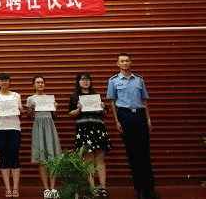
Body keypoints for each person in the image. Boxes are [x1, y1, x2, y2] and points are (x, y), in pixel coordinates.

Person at [107, 53, 159, 199]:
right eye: (122, 61)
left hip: (140, 116)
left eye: (127, 61)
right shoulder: (113, 81)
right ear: (117, 64)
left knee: (145, 154)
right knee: (132, 155)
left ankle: (150, 189)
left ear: (131, 62)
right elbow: (112, 102)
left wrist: (148, 119)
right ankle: (139, 190)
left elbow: (144, 100)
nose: (125, 63)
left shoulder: (139, 79)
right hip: (125, 116)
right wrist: (117, 121)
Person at [68, 72, 112, 197]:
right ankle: (92, 188)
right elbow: (70, 114)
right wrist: (78, 109)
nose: (85, 81)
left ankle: (102, 187)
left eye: (87, 79)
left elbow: (105, 114)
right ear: (78, 82)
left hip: (98, 129)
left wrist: (103, 107)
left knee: (100, 159)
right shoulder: (74, 98)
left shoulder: (96, 96)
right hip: (84, 130)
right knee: (88, 160)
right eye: (83, 79)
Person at [0, 73, 24, 198]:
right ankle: (7, 188)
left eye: (6, 80)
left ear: (9, 81)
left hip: (14, 128)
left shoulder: (16, 95)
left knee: (14, 156)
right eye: (1, 80)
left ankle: (16, 188)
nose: (4, 82)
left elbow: (20, 114)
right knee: (3, 157)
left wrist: (21, 111)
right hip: (0, 129)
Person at [26, 75, 61, 199]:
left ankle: (53, 187)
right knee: (42, 158)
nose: (40, 84)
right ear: (33, 85)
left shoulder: (50, 98)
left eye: (42, 82)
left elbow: (55, 116)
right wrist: (31, 108)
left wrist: (55, 108)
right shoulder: (30, 99)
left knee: (52, 157)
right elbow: (28, 116)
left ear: (44, 84)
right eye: (37, 82)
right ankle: (46, 188)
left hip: (50, 126)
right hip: (38, 126)